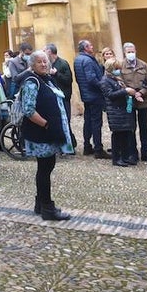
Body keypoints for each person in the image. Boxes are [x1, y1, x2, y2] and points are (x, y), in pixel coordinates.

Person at [18, 50, 72, 220]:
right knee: (45, 169)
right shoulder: (32, 82)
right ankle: (47, 208)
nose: (44, 64)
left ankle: (40, 203)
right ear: (32, 65)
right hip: (41, 133)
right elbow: (28, 109)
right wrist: (46, 124)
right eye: (40, 62)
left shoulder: (47, 79)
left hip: (49, 132)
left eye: (45, 61)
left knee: (46, 168)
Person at [120, 42, 147, 163]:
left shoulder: (143, 65)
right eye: (128, 52)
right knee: (130, 127)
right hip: (129, 102)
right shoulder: (120, 66)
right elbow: (119, 83)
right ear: (124, 53)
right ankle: (132, 154)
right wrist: (132, 93)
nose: (131, 54)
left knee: (144, 127)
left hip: (143, 101)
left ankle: (146, 153)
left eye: (132, 51)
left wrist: (141, 92)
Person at [100, 58, 139, 166]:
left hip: (123, 110)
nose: (119, 70)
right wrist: (125, 91)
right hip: (115, 111)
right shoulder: (105, 81)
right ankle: (117, 158)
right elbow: (110, 95)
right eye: (116, 68)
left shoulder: (116, 79)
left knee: (126, 134)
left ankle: (125, 157)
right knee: (117, 135)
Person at [74, 39, 106, 158]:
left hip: (86, 95)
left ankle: (87, 146)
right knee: (96, 122)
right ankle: (98, 149)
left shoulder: (78, 59)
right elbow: (91, 78)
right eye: (90, 45)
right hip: (94, 95)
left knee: (88, 121)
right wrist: (103, 85)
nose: (92, 47)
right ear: (86, 48)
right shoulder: (88, 60)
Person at [46, 44, 76, 151]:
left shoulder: (62, 63)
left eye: (45, 50)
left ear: (50, 52)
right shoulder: (48, 64)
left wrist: (56, 73)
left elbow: (68, 80)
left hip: (64, 96)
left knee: (66, 120)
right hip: (54, 97)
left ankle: (70, 144)